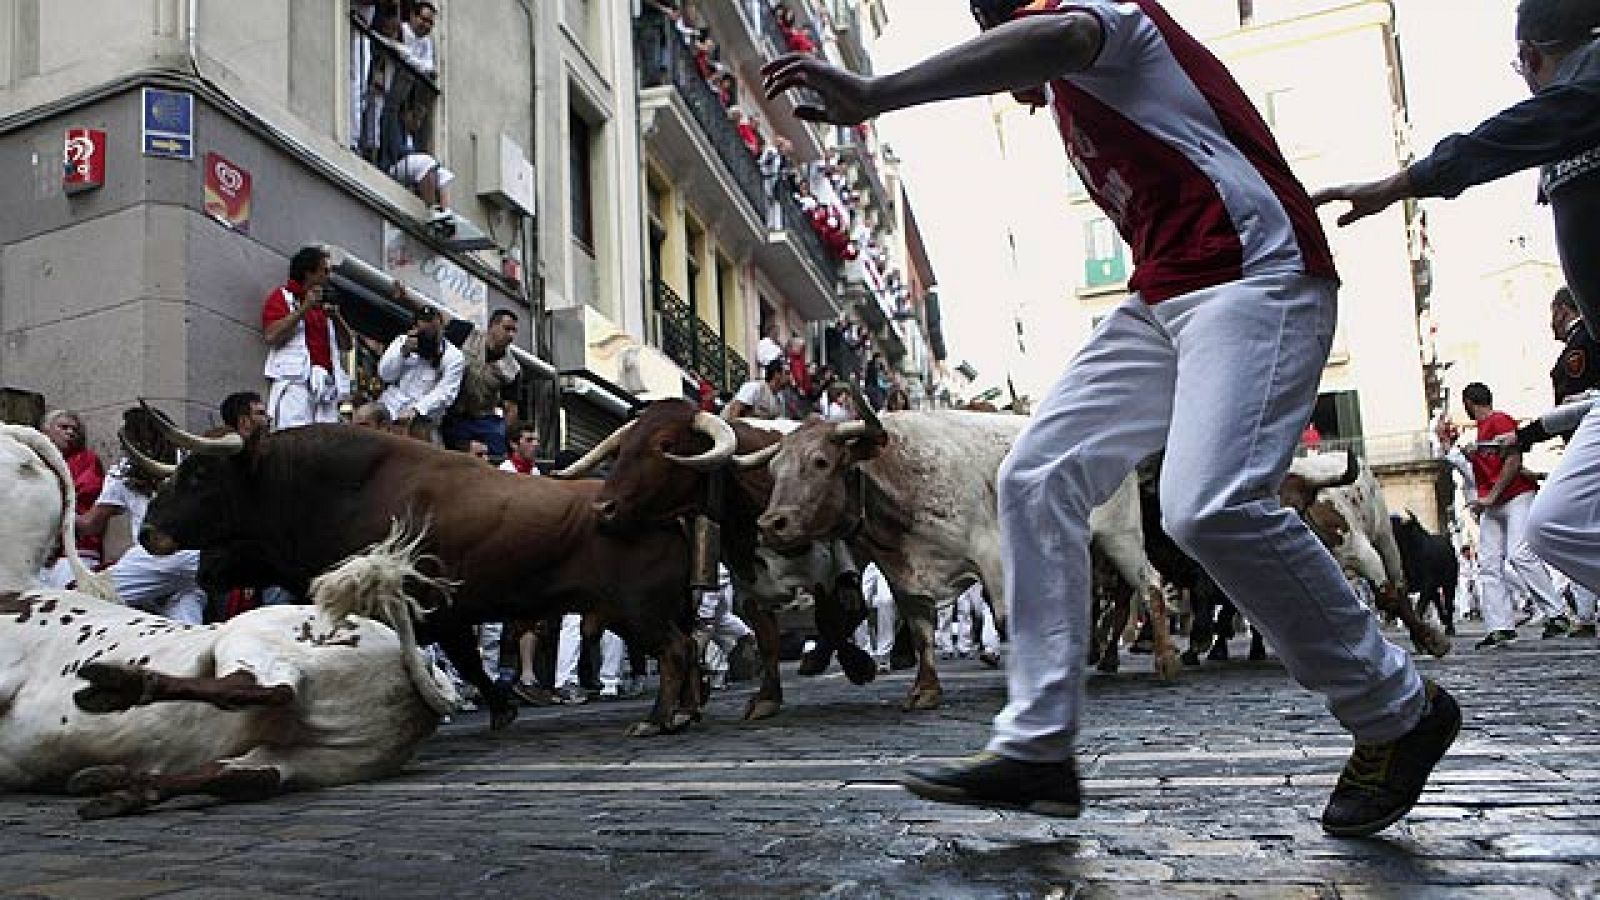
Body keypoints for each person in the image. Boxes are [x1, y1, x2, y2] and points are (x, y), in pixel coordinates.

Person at [761, 0, 1457, 837]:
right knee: (1036, 474)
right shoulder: (1071, 87)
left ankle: (1398, 709)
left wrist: (878, 93)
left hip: (1256, 275)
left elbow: (1058, 34)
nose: (1000, 68)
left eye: (990, 33)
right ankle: (1039, 748)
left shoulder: (1099, 18)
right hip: (1163, 299)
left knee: (1209, 505)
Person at [1314, 0, 1600, 617]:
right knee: (1560, 526)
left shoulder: (1590, 79)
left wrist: (1398, 184)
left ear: (1529, 57)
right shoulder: (1573, 109)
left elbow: (1509, 137)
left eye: (1522, 65)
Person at [1457, 382, 1570, 646]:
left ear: (1469, 403)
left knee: (1519, 554)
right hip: (1493, 503)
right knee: (1488, 564)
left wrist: (1491, 497)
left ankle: (1557, 614)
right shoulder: (1482, 432)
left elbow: (1513, 460)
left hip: (1515, 496)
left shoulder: (1500, 420)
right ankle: (1500, 627)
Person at [86, 408, 206, 624]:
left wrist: (60, 511)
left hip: (158, 557)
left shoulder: (123, 471)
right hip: (197, 561)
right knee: (185, 624)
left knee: (88, 597)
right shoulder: (192, 460)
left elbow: (91, 525)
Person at [1544, 287, 1600, 637]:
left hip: (1588, 444)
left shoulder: (1580, 344)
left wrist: (1533, 431)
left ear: (1563, 310)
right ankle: (1584, 613)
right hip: (1583, 444)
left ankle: (1583, 613)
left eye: (1551, 312)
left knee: (1557, 522)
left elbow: (1578, 401)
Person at [262, 246, 352, 430]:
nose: (329, 277)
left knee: (325, 446)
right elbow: (271, 335)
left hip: (326, 388)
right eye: (324, 271)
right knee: (294, 438)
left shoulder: (326, 306)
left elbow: (347, 345)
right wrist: (304, 308)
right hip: (297, 383)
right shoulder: (283, 297)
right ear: (308, 273)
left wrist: (336, 317)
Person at [376, 305, 467, 441]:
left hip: (422, 415)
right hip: (391, 404)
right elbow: (385, 375)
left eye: (432, 329)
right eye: (424, 329)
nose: (428, 333)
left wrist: (416, 410)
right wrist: (402, 353)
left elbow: (446, 393)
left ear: (441, 328)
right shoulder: (402, 341)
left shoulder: (454, 356)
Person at [442, 309, 523, 458]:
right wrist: (406, 297)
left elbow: (511, 408)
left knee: (497, 449)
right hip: (448, 409)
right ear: (492, 326)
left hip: (480, 418)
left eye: (514, 331)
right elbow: (439, 318)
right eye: (507, 329)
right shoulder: (467, 333)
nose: (511, 335)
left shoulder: (513, 369)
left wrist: (506, 434)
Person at [38, 409, 105, 587]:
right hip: (38, 554)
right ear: (46, 431)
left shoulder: (87, 460)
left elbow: (82, 493)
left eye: (75, 430)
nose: (70, 433)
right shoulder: (35, 461)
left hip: (76, 551)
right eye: (64, 427)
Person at [722, 359, 790, 420]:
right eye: (787, 373)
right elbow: (734, 411)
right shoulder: (754, 387)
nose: (790, 378)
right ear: (777, 374)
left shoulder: (779, 399)